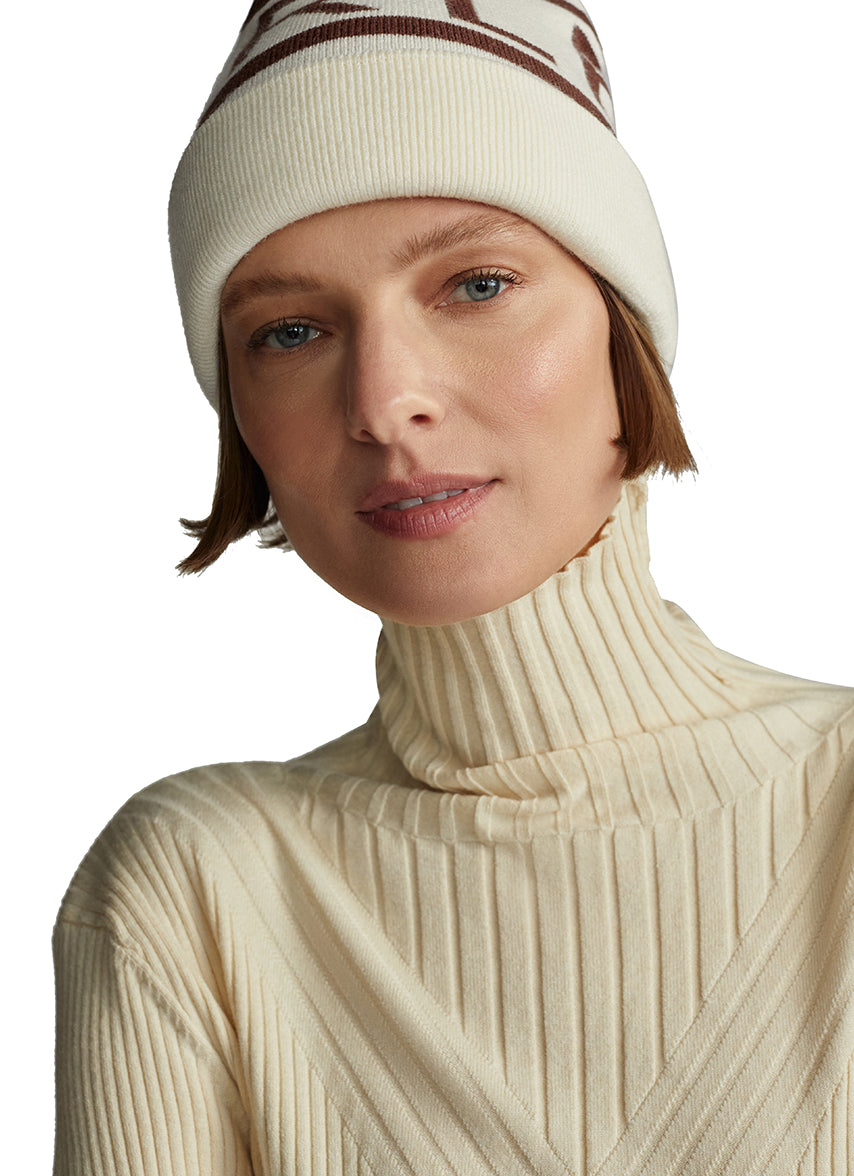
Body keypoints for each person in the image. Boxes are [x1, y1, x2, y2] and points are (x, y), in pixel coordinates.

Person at [53, 2, 854, 1173]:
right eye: (288, 333)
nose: (384, 403)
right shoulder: (197, 890)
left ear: (621, 325)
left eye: (475, 285)